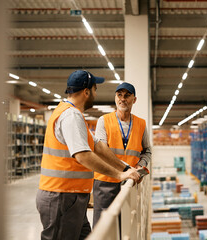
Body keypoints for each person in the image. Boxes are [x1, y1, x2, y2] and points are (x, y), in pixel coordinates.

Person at [36, 70, 140, 240]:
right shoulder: (70, 115)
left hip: (71, 197)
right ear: (86, 92)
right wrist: (119, 175)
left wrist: (126, 168)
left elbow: (98, 146)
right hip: (61, 195)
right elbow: (83, 155)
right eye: (95, 89)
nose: (95, 93)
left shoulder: (74, 114)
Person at [93, 82, 152, 227]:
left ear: (134, 99)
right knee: (103, 227)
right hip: (105, 182)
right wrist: (127, 169)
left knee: (126, 227)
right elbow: (101, 151)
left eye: (127, 95)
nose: (122, 99)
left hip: (129, 184)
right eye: (119, 95)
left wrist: (140, 165)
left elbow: (147, 151)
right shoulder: (104, 121)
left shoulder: (141, 124)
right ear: (115, 98)